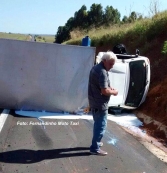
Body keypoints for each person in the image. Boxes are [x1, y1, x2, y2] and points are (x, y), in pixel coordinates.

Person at [88, 51, 118, 156]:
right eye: (110, 64)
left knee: (98, 124)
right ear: (104, 61)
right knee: (100, 126)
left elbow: (100, 86)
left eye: (113, 64)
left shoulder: (95, 68)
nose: (112, 66)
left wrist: (109, 88)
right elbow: (104, 91)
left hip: (93, 102)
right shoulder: (102, 72)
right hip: (100, 104)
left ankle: (96, 143)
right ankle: (95, 148)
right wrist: (114, 92)